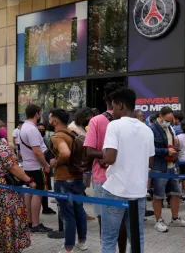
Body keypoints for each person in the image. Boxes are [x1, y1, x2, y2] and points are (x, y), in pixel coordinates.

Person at [101, 88, 155, 253]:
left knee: (109, 238)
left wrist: (103, 156)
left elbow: (109, 158)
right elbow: (150, 160)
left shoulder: (114, 125)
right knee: (137, 238)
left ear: (121, 105)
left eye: (114, 107)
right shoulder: (147, 129)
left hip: (115, 189)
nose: (113, 111)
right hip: (138, 191)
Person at [83, 82, 129, 252]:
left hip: (102, 178)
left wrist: (104, 156)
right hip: (123, 177)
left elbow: (88, 151)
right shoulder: (128, 121)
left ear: (105, 98)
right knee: (123, 219)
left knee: (104, 220)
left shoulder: (96, 121)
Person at [0, 114, 34, 252]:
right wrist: (28, 180)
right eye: (0, 126)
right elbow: (13, 167)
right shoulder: (0, 145)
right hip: (5, 191)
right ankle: (9, 248)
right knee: (8, 220)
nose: (4, 128)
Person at [48, 109, 88, 253]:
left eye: (50, 117)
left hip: (64, 179)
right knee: (79, 210)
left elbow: (65, 153)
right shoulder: (73, 133)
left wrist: (56, 163)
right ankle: (82, 242)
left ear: (55, 121)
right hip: (77, 176)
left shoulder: (57, 136)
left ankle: (68, 248)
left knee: (67, 214)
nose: (48, 119)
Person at [151, 106, 185, 233]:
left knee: (176, 193)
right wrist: (165, 151)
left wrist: (174, 150)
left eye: (171, 119)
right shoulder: (152, 130)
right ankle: (158, 221)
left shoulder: (170, 128)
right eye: (167, 119)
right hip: (159, 167)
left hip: (172, 166)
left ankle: (175, 219)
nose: (169, 121)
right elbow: (150, 149)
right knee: (158, 195)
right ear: (160, 116)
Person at [20, 104, 53, 233]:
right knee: (37, 194)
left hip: (28, 165)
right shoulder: (32, 129)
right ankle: (35, 224)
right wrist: (46, 165)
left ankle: (29, 221)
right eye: (40, 114)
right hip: (36, 166)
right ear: (37, 114)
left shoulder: (24, 127)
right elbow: (37, 152)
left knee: (29, 193)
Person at [37, 123, 56, 215]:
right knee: (42, 188)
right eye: (39, 129)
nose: (41, 131)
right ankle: (44, 207)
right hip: (42, 166)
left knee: (46, 187)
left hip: (47, 165)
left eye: (43, 129)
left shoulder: (46, 138)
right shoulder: (36, 140)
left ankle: (45, 207)